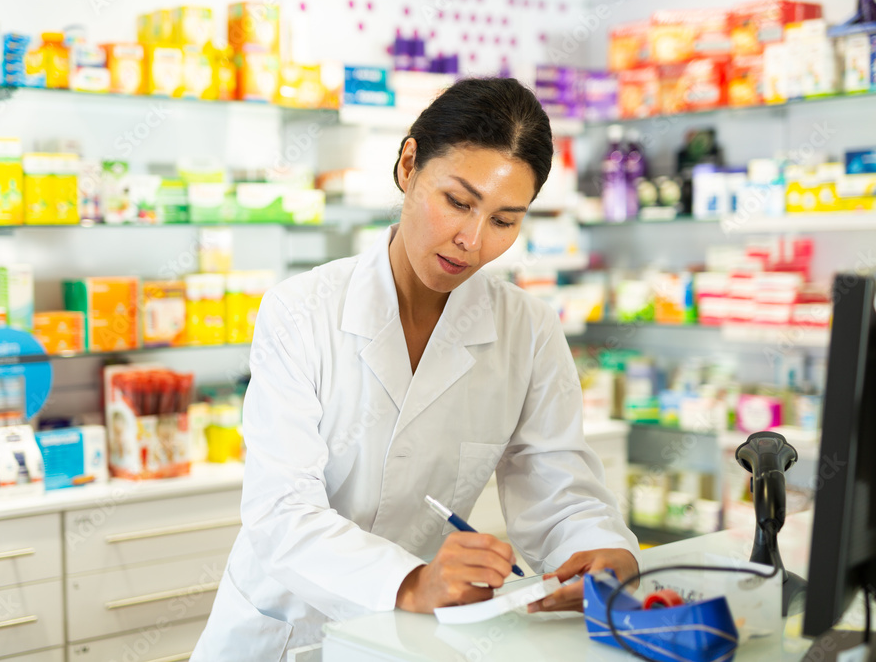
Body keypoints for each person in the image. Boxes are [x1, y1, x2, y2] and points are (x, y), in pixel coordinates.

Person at [191, 77, 639, 662]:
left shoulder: (528, 330)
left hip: (412, 639)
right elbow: (281, 513)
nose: (471, 241)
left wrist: (603, 550)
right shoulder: (301, 310)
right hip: (283, 631)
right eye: (458, 201)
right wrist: (408, 582)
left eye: (505, 221)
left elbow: (560, 493)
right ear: (408, 165)